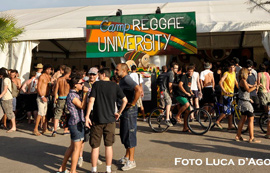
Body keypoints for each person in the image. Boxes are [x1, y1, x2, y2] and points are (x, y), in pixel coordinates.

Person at [85, 68, 128, 173]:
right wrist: (119, 112)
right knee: (109, 146)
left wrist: (87, 116)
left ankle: (93, 169)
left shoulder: (96, 85)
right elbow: (125, 100)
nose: (98, 76)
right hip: (110, 120)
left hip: (97, 119)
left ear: (103, 74)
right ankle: (108, 169)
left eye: (99, 74)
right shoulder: (115, 86)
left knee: (95, 146)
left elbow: (91, 101)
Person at [57, 73, 88, 173]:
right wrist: (85, 94)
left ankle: (63, 167)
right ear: (75, 85)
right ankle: (73, 171)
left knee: (72, 147)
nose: (82, 85)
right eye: (81, 83)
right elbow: (82, 106)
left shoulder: (74, 94)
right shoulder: (73, 95)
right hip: (76, 123)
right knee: (76, 149)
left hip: (75, 122)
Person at [115, 63, 141, 171]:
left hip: (130, 111)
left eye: (117, 70)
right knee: (125, 134)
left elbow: (138, 90)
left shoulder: (127, 79)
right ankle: (127, 157)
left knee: (130, 135)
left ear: (124, 70)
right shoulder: (122, 79)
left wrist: (133, 103)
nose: (115, 71)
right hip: (125, 111)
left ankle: (131, 160)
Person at [78, 67, 102, 168]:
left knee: (95, 136)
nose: (92, 76)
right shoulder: (84, 84)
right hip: (85, 112)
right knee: (83, 137)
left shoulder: (100, 84)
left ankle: (94, 157)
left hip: (96, 113)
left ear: (97, 75)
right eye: (90, 74)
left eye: (94, 74)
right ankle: (80, 157)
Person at [235, 68, 261, 143]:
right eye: (247, 72)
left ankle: (238, 136)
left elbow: (248, 86)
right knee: (251, 119)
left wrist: (255, 85)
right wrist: (256, 86)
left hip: (243, 101)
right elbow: (248, 90)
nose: (249, 73)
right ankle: (251, 137)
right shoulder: (243, 81)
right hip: (245, 103)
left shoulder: (242, 81)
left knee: (243, 119)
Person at [215, 61, 238, 130]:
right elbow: (220, 82)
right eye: (230, 67)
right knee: (226, 110)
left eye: (233, 67)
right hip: (226, 94)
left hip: (232, 93)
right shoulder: (226, 73)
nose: (232, 69)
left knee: (231, 111)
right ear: (228, 68)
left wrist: (240, 89)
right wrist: (224, 90)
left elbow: (235, 81)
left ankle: (230, 126)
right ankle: (217, 121)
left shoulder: (234, 73)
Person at [33, 64, 53, 136]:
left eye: (50, 69)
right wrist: (42, 96)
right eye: (48, 69)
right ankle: (35, 129)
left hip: (46, 96)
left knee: (44, 114)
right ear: (45, 69)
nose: (49, 70)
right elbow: (38, 87)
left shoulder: (49, 77)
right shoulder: (42, 76)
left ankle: (45, 129)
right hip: (41, 96)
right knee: (40, 113)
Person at [52, 67, 72, 137]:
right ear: (69, 72)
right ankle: (66, 130)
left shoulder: (59, 79)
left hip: (60, 97)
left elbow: (56, 89)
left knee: (57, 114)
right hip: (67, 98)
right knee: (67, 114)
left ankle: (55, 130)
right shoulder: (69, 80)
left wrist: (55, 97)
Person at [175, 65, 194, 132]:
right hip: (180, 95)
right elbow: (180, 85)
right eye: (189, 71)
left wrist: (191, 92)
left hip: (185, 96)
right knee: (187, 105)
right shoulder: (184, 76)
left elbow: (188, 87)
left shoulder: (190, 78)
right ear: (187, 71)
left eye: (191, 71)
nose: (190, 72)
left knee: (187, 112)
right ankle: (177, 115)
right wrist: (186, 92)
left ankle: (185, 127)